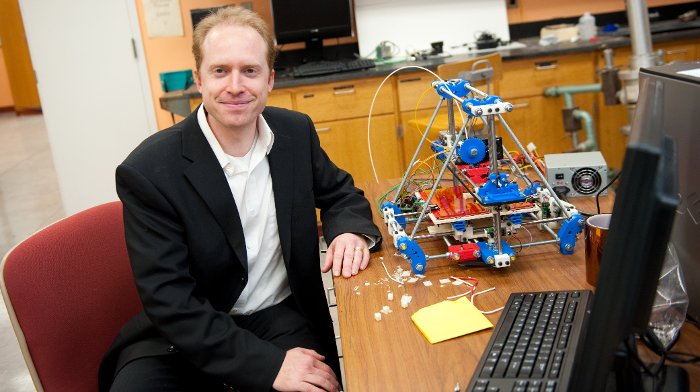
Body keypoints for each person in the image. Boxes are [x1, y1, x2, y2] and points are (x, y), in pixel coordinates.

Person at [98, 6, 381, 392]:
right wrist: (266, 366)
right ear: (198, 79)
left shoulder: (294, 133)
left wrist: (349, 231)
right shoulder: (148, 171)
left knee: (320, 387)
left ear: (270, 80)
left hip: (277, 317)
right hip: (181, 335)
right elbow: (171, 301)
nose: (236, 85)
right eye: (220, 71)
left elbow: (340, 193)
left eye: (250, 70)